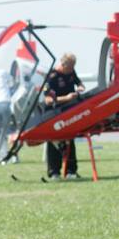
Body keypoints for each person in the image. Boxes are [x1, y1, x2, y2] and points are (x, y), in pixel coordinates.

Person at [44, 52, 86, 180]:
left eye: (74, 67)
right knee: (54, 141)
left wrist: (80, 88)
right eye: (70, 67)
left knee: (70, 140)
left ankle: (71, 171)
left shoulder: (71, 72)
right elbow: (48, 100)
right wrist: (66, 98)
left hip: (69, 112)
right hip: (55, 113)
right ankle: (54, 172)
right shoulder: (52, 76)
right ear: (63, 65)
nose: (72, 70)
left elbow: (80, 83)